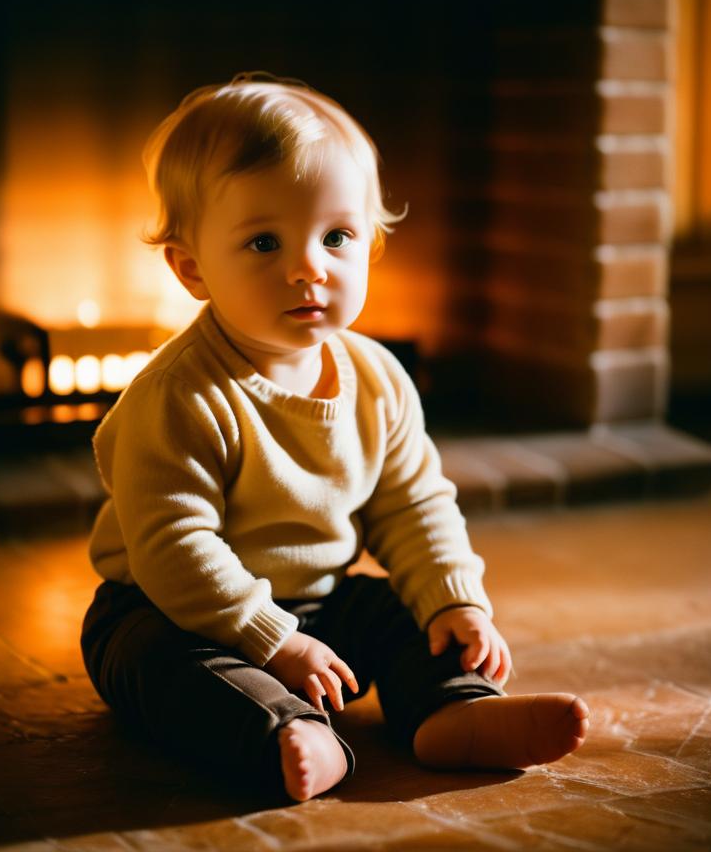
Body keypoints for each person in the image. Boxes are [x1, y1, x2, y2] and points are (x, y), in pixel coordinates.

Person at [80, 72, 589, 802]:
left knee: (401, 615)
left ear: (370, 247)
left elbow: (413, 502)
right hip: (172, 609)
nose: (308, 268)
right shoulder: (180, 397)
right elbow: (173, 547)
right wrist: (272, 643)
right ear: (192, 270)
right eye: (263, 242)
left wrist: (455, 601)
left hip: (319, 605)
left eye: (338, 237)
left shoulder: (375, 378)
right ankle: (285, 732)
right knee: (163, 664)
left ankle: (454, 713)